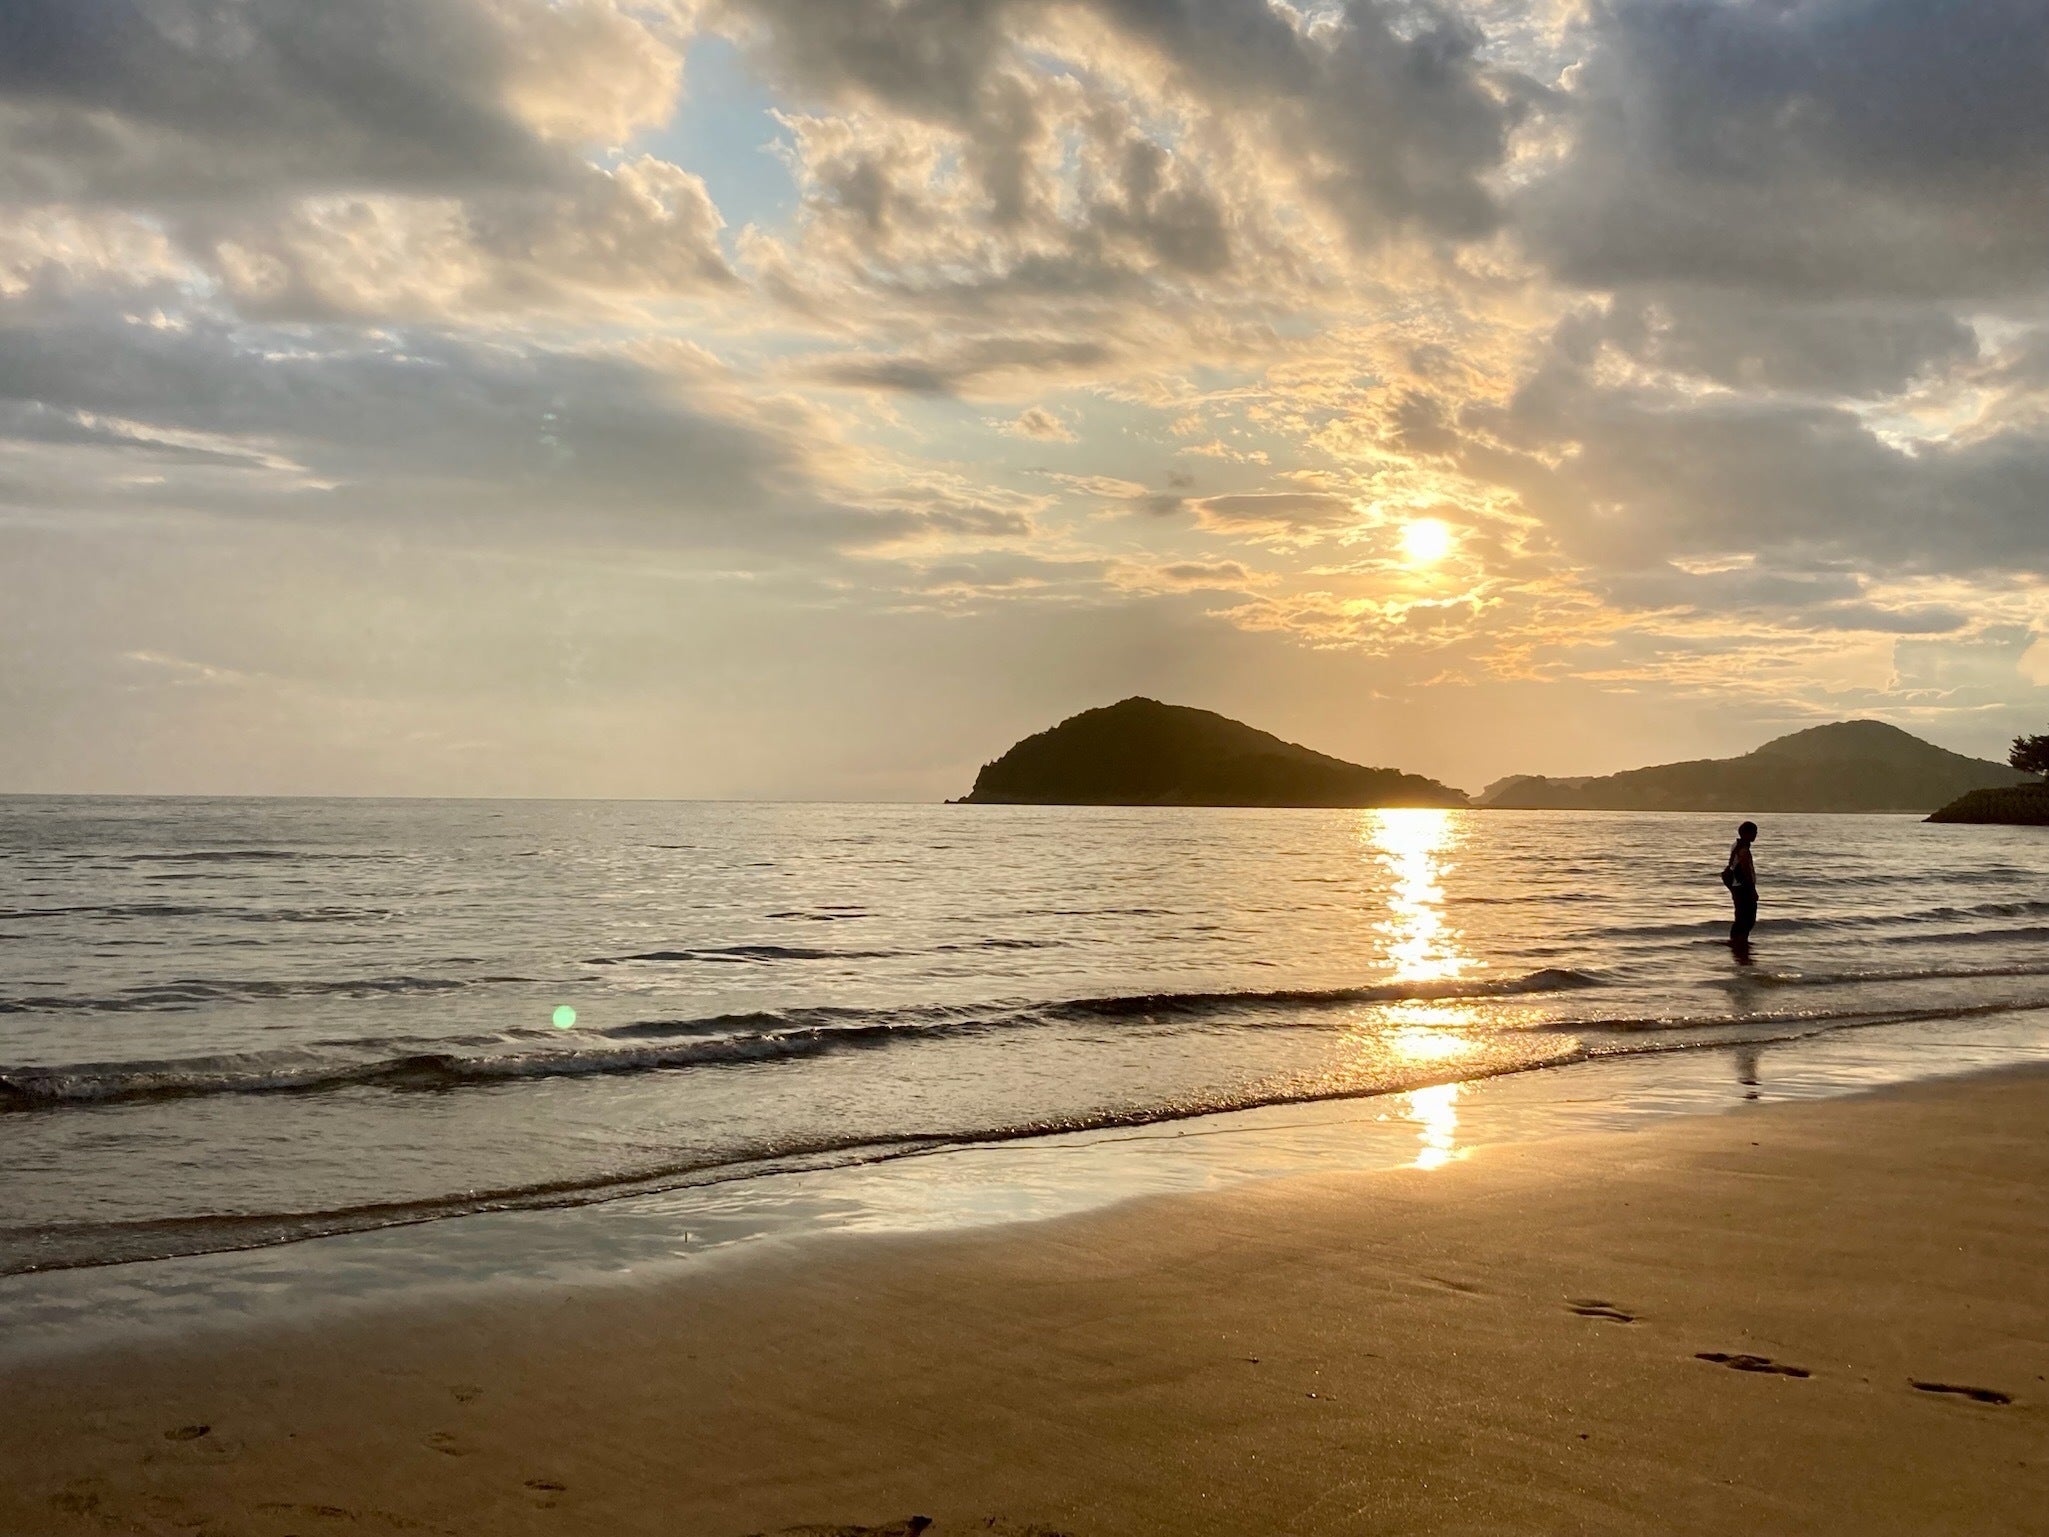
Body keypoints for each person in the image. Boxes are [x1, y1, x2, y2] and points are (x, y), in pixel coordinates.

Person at [1721, 820, 1759, 955]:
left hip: (1737, 887)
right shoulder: (1743, 850)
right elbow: (1746, 870)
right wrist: (1752, 890)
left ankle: (1738, 945)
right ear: (1746, 833)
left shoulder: (1736, 845)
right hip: (1743, 887)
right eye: (1754, 832)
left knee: (1741, 917)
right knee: (1747, 919)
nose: (1756, 835)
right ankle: (1740, 944)